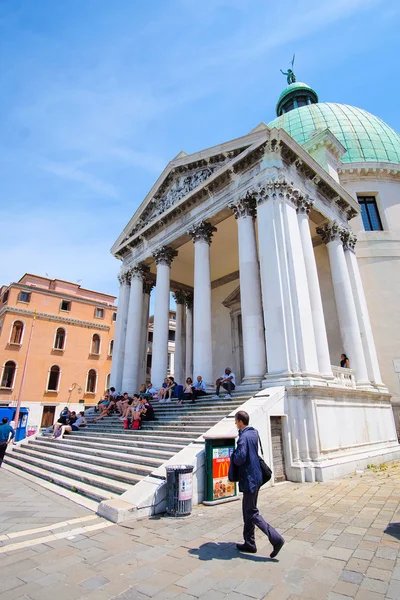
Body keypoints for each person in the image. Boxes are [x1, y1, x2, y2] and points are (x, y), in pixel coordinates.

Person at [230, 410, 284, 558]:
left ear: (241, 422)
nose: (235, 423)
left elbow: (240, 458)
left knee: (251, 512)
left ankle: (275, 538)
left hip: (249, 478)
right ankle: (249, 543)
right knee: (247, 510)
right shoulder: (253, 433)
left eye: (236, 421)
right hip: (256, 476)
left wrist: (232, 455)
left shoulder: (243, 438)